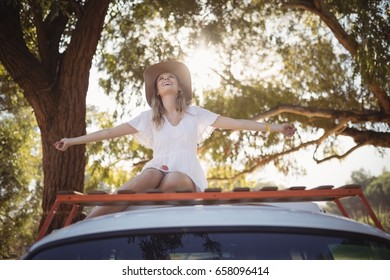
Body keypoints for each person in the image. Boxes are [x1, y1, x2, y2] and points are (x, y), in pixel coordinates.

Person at [54, 61, 297, 218]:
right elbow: (108, 133)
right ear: (157, 92)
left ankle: (142, 198)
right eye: (161, 79)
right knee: (147, 176)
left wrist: (275, 127)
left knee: (172, 180)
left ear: (179, 88)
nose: (166, 79)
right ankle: (86, 222)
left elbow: (239, 123)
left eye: (171, 77)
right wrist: (72, 140)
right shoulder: (148, 118)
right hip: (156, 168)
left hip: (185, 172)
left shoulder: (196, 114)